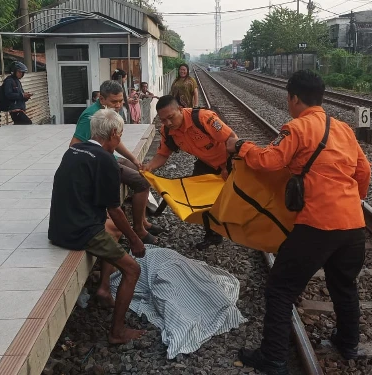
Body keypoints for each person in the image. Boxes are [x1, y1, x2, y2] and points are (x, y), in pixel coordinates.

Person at [225, 70, 372, 374]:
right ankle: (348, 344)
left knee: (280, 289)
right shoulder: (343, 128)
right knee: (344, 286)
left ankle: (273, 358)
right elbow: (364, 171)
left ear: (293, 97)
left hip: (317, 225)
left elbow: (269, 161)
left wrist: (240, 147)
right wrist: (351, 202)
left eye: (288, 98)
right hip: (354, 226)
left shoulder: (297, 128)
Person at [49, 109, 145, 344]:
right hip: (80, 232)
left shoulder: (73, 151)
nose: (119, 140)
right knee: (133, 269)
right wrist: (136, 240)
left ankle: (103, 288)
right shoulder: (106, 161)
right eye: (120, 135)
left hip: (59, 228)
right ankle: (117, 332)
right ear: (113, 133)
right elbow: (115, 209)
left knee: (115, 229)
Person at [70, 80, 164, 243]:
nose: (119, 105)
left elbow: (114, 139)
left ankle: (143, 222)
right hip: (99, 163)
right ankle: (139, 230)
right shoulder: (90, 117)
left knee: (143, 173)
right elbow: (74, 145)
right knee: (141, 182)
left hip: (108, 157)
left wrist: (134, 159)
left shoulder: (111, 111)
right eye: (114, 101)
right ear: (102, 99)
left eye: (121, 100)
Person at [142, 95, 237, 250]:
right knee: (201, 199)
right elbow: (162, 154)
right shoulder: (167, 131)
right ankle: (212, 235)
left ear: (180, 109)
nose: (168, 123)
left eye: (171, 117)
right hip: (206, 164)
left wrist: (228, 166)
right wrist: (149, 167)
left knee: (238, 197)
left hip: (229, 161)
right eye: (163, 120)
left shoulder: (204, 118)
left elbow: (231, 138)